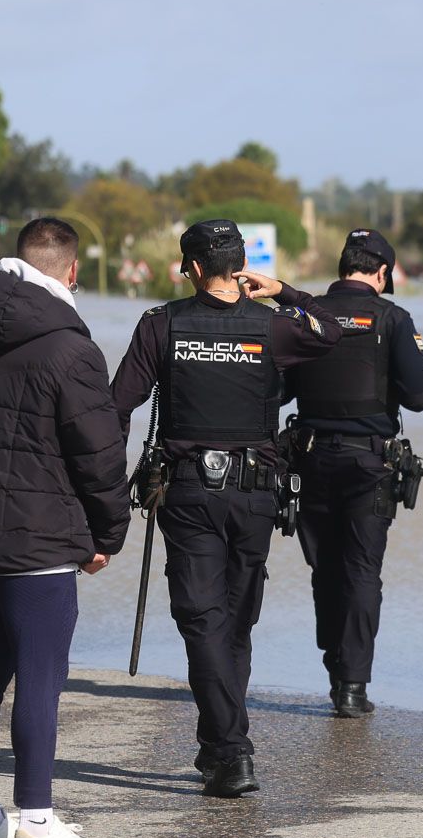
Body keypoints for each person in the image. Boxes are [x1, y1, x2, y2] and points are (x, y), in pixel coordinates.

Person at [109, 218, 339, 798]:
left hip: (188, 493)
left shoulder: (160, 325)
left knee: (204, 622)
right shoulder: (274, 326)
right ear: (239, 267)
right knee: (233, 624)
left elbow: (118, 407)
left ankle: (229, 750)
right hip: (256, 494)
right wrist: (284, 290)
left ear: (189, 268)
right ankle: (222, 747)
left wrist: (100, 486)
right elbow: (332, 331)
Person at [0, 217, 129, 838]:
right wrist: (108, 532)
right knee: (41, 678)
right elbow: (99, 454)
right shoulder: (70, 349)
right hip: (40, 540)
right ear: (71, 272)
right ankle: (39, 827)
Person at [239, 228, 423, 717]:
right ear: (383, 273)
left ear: (341, 266)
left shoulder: (306, 315)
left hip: (307, 463)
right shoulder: (392, 319)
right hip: (367, 465)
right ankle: (351, 686)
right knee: (361, 571)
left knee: (325, 570)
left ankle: (336, 669)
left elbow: (276, 392)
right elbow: (422, 394)